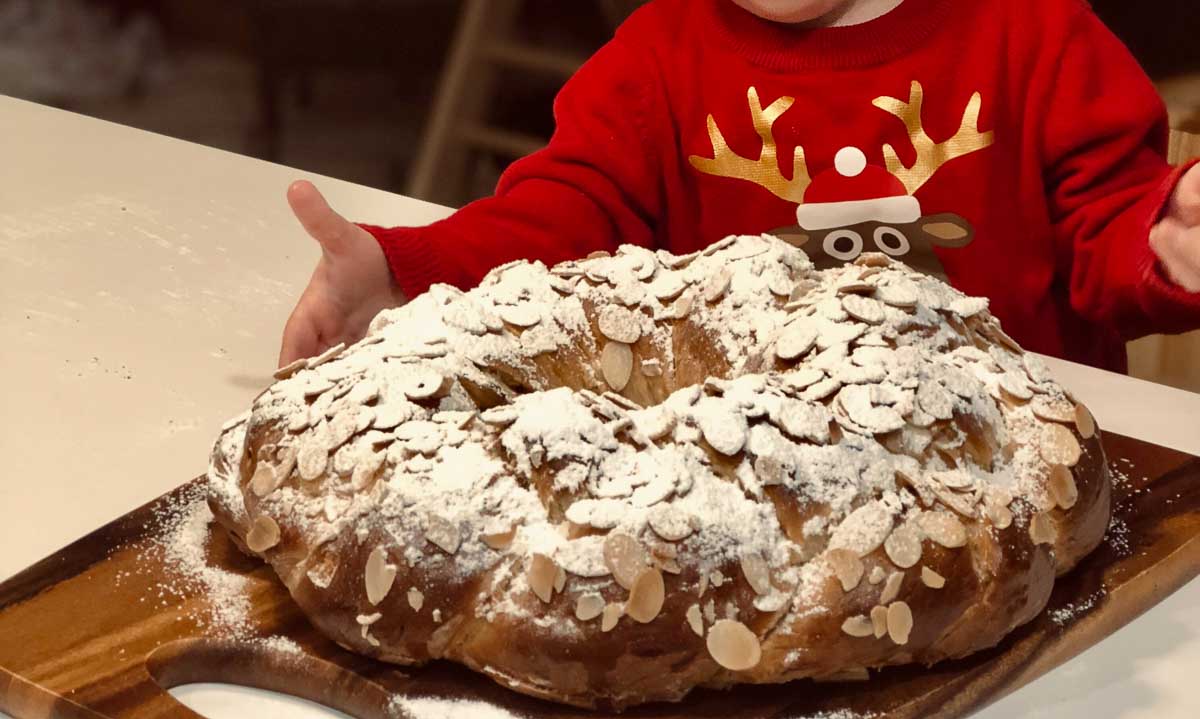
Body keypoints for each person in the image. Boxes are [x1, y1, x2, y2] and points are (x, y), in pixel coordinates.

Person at [278, 0, 1200, 373]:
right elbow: (563, 218)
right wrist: (406, 270)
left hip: (1013, 482)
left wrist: (1166, 236)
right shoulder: (660, 52)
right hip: (759, 493)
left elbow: (1106, 225)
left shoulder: (1038, 33)